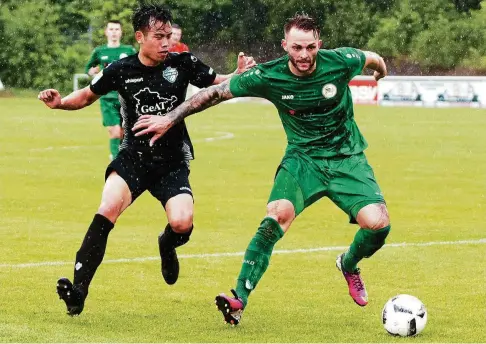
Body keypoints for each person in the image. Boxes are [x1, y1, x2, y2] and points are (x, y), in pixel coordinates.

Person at [131, 13, 390, 326]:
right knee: (275, 216)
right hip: (302, 160)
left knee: (378, 225)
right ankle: (238, 298)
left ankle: (348, 265)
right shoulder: (269, 75)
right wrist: (171, 117)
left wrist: (379, 73)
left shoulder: (341, 60)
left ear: (319, 44)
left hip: (347, 157)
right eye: (297, 47)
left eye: (310, 47)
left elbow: (373, 59)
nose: (304, 55)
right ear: (284, 45)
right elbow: (215, 93)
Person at [38, 4, 255, 316]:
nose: (166, 42)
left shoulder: (183, 63)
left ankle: (167, 245)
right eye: (159, 36)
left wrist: (236, 74)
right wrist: (60, 104)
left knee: (182, 223)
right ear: (140, 37)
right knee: (108, 206)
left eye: (169, 35)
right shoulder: (120, 69)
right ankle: (78, 291)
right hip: (133, 159)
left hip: (171, 163)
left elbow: (216, 83)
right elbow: (86, 95)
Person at [85, 20, 137, 159]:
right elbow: (88, 68)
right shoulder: (99, 51)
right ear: (106, 32)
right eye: (111, 29)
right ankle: (116, 163)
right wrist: (92, 72)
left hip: (126, 99)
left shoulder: (129, 51)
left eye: (116, 29)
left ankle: (120, 155)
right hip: (107, 98)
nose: (114, 32)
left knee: (124, 133)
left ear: (121, 32)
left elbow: (139, 67)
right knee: (114, 132)